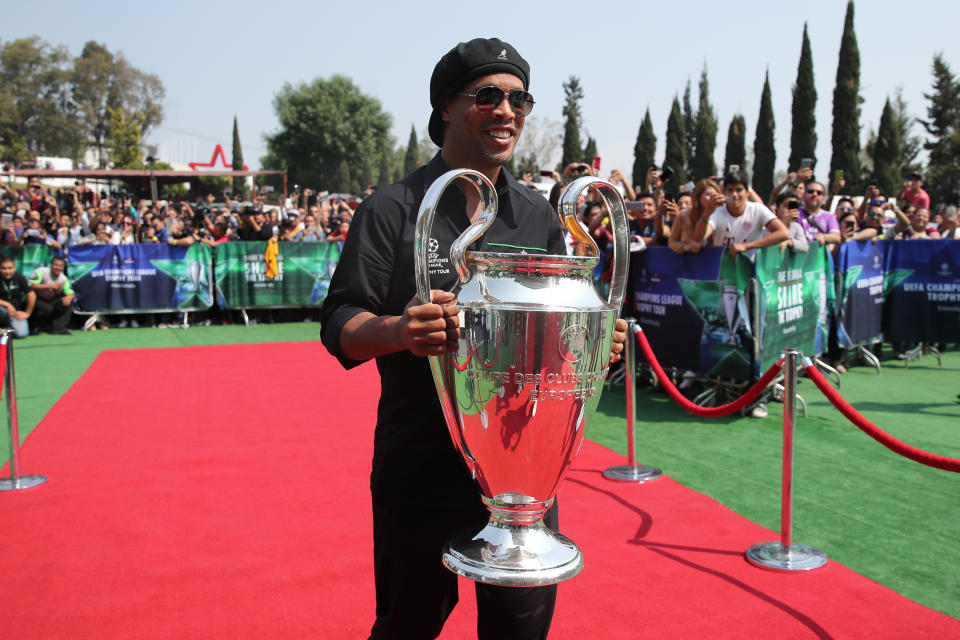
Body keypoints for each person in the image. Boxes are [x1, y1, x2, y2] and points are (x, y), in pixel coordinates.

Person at [320, 37, 625, 640]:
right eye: (488, 95)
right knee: (409, 622)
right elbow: (341, 326)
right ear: (445, 110)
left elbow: (548, 336)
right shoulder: (393, 208)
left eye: (518, 99)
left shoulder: (538, 214)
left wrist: (588, 344)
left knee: (521, 628)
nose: (506, 111)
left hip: (522, 468)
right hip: (420, 462)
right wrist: (400, 330)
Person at [30, 256, 74, 335]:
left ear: (63, 268)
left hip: (50, 300)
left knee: (67, 301)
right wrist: (50, 286)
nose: (58, 268)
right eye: (55, 265)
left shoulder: (63, 279)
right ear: (51, 265)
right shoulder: (41, 272)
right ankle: (34, 326)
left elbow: (71, 292)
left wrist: (69, 297)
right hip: (35, 299)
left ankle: (58, 327)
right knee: (47, 308)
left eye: (60, 266)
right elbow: (31, 285)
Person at [797, 180, 840, 246]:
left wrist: (824, 237)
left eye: (819, 192)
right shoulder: (795, 213)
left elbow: (837, 237)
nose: (814, 194)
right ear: (804, 195)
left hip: (817, 254)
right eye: (811, 191)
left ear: (823, 197)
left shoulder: (829, 217)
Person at [0, 256, 35, 338]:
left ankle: (4, 330)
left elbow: (32, 295)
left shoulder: (20, 277)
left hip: (15, 313)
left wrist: (27, 313)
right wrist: (7, 304)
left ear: (14, 268)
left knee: (21, 334)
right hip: (1, 311)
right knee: (3, 311)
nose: (7, 271)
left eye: (10, 268)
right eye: (4, 268)